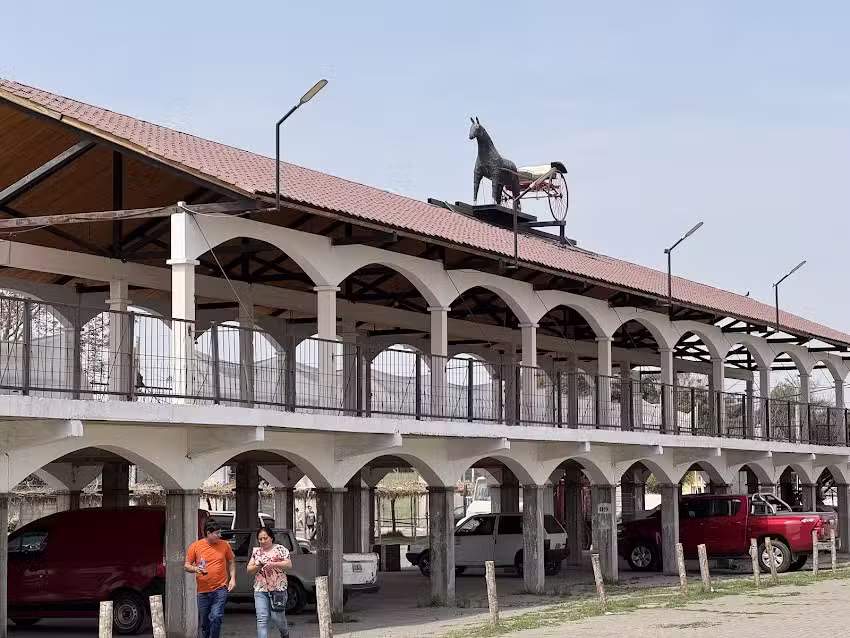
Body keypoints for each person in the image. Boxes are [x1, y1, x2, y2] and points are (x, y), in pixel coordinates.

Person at [185, 520, 236, 638]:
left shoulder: (225, 545)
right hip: (202, 591)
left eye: (220, 533)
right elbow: (186, 565)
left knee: (216, 616)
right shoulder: (196, 546)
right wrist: (195, 569)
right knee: (205, 623)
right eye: (217, 533)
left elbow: (231, 561)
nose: (220, 535)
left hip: (220, 588)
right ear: (208, 533)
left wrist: (233, 578)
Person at [247, 527, 292, 638]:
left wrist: (273, 564)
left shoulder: (280, 549)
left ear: (271, 537)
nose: (263, 541)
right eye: (260, 539)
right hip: (260, 589)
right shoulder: (256, 552)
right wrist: (258, 566)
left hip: (278, 589)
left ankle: (285, 634)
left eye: (265, 538)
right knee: (262, 619)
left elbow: (288, 565)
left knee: (278, 617)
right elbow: (249, 569)